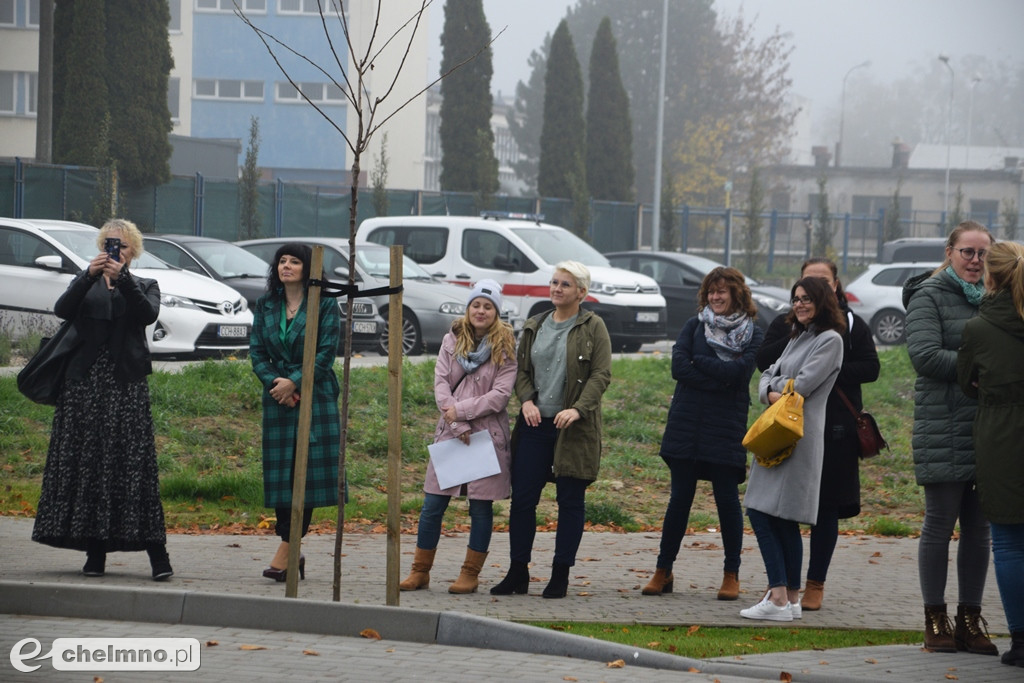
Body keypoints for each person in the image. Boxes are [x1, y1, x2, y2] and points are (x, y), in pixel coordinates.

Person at [32, 218, 173, 581]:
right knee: (89, 464)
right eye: (110, 245)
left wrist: (122, 278)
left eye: (122, 247)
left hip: (125, 386)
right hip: (84, 386)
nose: (115, 252)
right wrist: (86, 276)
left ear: (134, 252)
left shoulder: (144, 284)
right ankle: (94, 555)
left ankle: (159, 557)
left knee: (132, 467)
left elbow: (147, 314)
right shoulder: (86, 281)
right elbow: (63, 310)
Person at [755, 258, 880, 611]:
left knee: (825, 509)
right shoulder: (791, 326)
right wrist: (781, 384)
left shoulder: (848, 328)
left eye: (819, 285)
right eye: (803, 287)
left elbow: (870, 367)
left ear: (834, 287)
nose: (805, 297)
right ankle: (781, 587)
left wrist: (826, 372)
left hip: (836, 428)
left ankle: (813, 584)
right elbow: (765, 363)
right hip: (788, 423)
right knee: (782, 510)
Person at [903, 220, 998, 655]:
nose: (976, 261)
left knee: (979, 529)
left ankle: (969, 618)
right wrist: (978, 368)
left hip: (988, 426)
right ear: (950, 252)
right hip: (943, 426)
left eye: (983, 253)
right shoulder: (929, 295)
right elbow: (923, 356)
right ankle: (934, 618)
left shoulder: (997, 297)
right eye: (968, 252)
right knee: (940, 524)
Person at [490, 260, 612, 599]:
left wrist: (577, 409)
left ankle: (560, 575)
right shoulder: (535, 324)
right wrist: (526, 400)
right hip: (534, 425)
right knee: (523, 502)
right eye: (554, 282)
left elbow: (601, 375)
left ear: (582, 293)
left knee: (570, 501)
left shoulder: (594, 327)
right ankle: (518, 572)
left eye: (566, 285)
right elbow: (521, 370)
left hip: (573, 428)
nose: (557, 288)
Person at [642, 267, 764, 599]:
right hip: (687, 425)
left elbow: (740, 374)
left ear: (737, 293)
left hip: (725, 428)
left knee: (727, 502)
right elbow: (678, 367)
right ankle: (663, 571)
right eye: (711, 291)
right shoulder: (694, 325)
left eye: (722, 291)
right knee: (679, 501)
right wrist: (718, 375)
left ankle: (731, 574)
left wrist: (700, 364)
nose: (716, 296)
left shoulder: (753, 333)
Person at [400, 279, 518, 594]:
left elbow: (500, 396)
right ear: (468, 308)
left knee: (480, 507)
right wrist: (456, 423)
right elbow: (440, 385)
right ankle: (420, 571)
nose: (481, 311)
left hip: (486, 438)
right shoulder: (450, 341)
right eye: (476, 305)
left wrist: (462, 414)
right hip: (452, 435)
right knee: (432, 505)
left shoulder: (506, 347)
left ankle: (470, 574)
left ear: (496, 312)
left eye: (488, 306)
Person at [741, 276, 844, 621]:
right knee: (781, 520)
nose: (799, 304)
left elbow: (801, 387)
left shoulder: (830, 340)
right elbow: (766, 374)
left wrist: (774, 388)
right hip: (777, 433)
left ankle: (778, 596)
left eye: (806, 299)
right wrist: (773, 388)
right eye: (796, 299)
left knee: (759, 509)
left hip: (796, 438)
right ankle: (792, 599)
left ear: (822, 301)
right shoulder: (799, 336)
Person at [250, 243, 341, 582]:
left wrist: (296, 382)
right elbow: (256, 351)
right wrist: (277, 382)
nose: (286, 266)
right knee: (281, 479)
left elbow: (326, 354)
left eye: (294, 261)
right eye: (282, 261)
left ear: (308, 269)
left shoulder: (326, 304)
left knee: (306, 476)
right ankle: (292, 549)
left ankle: (286, 552)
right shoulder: (266, 304)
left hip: (314, 397)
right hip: (277, 399)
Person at [957, 240, 1024, 668]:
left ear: (991, 276)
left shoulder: (979, 328)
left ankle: (1020, 640)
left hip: (1002, 438)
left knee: (1009, 544)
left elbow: (967, 382)